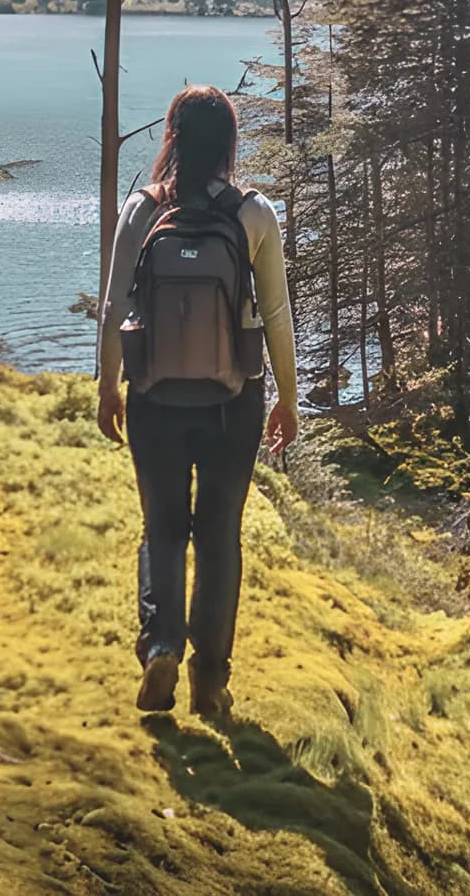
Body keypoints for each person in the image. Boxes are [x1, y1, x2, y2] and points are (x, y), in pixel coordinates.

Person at [96, 85, 297, 719]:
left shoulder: (141, 209)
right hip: (233, 400)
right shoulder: (254, 213)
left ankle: (161, 645)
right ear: (229, 144)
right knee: (218, 538)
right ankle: (211, 679)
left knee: (161, 529)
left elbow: (112, 308)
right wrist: (287, 399)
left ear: (173, 138)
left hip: (155, 395)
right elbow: (276, 314)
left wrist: (106, 386)